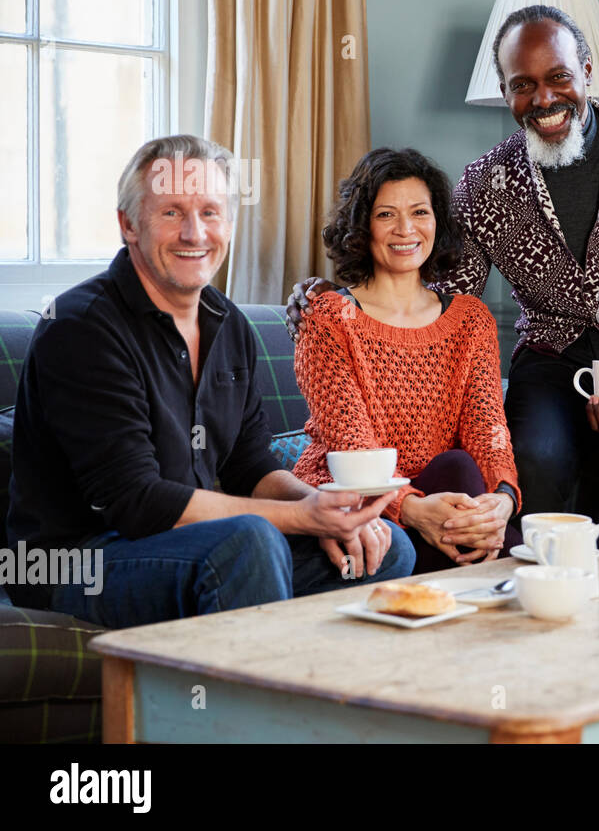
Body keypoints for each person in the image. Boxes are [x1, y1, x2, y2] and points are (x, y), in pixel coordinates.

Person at [288, 5, 599, 554]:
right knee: (535, 460)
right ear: (506, 91)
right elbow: (441, 290)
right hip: (551, 357)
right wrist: (336, 296)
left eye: (558, 77)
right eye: (522, 85)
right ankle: (538, 607)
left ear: (586, 71)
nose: (543, 99)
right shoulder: (487, 182)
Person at [4, 135, 415, 628]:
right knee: (248, 542)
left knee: (385, 546)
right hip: (80, 563)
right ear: (128, 225)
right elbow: (135, 503)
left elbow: (251, 466)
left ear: (230, 223)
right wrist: (305, 520)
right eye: (171, 213)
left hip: (186, 547)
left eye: (211, 212)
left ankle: (316, 688)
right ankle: (259, 700)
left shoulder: (228, 323)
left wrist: (327, 509)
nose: (194, 233)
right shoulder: (81, 327)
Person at [293, 147, 522, 574]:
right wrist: (413, 508)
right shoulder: (329, 318)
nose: (405, 229)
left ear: (437, 222)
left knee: (464, 477)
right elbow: (353, 449)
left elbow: (488, 427)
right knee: (503, 558)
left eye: (419, 212)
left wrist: (502, 500)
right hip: (357, 500)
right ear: (362, 226)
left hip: (447, 494)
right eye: (385, 215)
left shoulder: (470, 320)